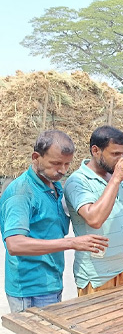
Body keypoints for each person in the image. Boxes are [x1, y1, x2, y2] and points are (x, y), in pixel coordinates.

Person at [0, 131, 109, 312]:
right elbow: (14, 244)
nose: (63, 170)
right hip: (29, 288)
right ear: (36, 157)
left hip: (51, 281)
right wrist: (72, 242)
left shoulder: (54, 184)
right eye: (56, 163)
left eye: (67, 164)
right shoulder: (21, 192)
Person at [65, 126, 123, 296]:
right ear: (96, 151)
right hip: (98, 275)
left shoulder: (115, 178)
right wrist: (116, 178)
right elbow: (94, 219)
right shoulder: (78, 181)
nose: (121, 160)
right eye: (115, 154)